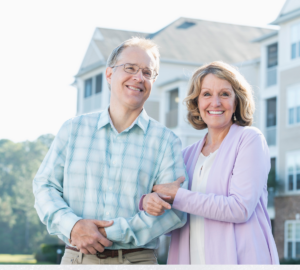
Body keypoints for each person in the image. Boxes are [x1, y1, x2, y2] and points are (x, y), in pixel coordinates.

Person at [33, 37, 188, 265]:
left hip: (137, 261)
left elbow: (174, 212)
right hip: (77, 260)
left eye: (147, 72)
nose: (138, 77)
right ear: (109, 74)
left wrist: (107, 233)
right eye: (130, 68)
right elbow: (44, 187)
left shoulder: (166, 141)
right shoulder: (73, 130)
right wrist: (73, 226)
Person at [142, 61, 279, 264]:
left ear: (236, 101)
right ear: (197, 102)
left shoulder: (249, 139)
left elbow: (240, 208)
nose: (215, 103)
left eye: (224, 94)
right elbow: (172, 223)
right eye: (206, 94)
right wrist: (149, 203)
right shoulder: (186, 155)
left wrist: (177, 195)